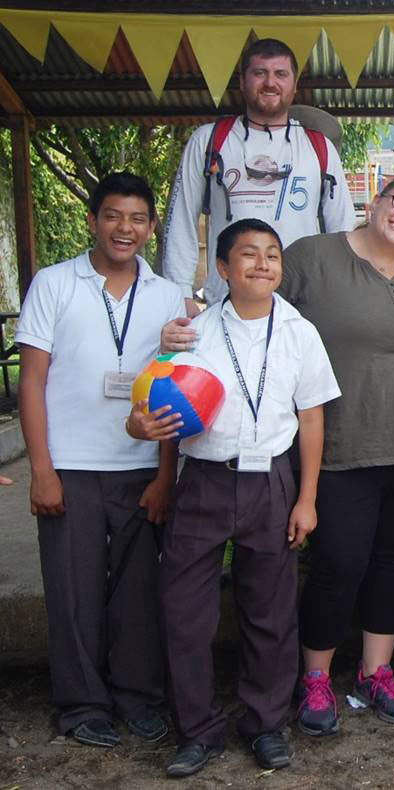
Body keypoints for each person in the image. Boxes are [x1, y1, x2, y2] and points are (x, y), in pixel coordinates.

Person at [128, 219, 340, 777]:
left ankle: (266, 724)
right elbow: (161, 411)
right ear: (222, 269)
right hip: (204, 480)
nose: (263, 264)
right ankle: (197, 730)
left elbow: (312, 418)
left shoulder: (300, 332)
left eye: (272, 254)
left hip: (272, 481)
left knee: (270, 610)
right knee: (185, 609)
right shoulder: (190, 333)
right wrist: (164, 476)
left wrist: (307, 498)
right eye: (248, 255)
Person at [15, 172, 184, 750]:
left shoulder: (166, 294)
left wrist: (166, 475)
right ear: (93, 220)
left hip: (139, 467)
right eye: (113, 216)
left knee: (139, 591)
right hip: (71, 465)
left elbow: (170, 387)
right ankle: (83, 705)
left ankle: (139, 699)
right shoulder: (54, 284)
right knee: (73, 588)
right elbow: (31, 381)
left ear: (151, 228)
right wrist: (42, 468)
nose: (125, 229)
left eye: (138, 219)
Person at [282, 176, 394, 732]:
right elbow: (259, 321)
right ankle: (316, 678)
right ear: (375, 202)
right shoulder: (313, 257)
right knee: (339, 564)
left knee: (391, 563)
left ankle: (375, 673)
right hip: (340, 447)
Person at [161, 38, 354, 314]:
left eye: (280, 74)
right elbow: (181, 219)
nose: (270, 83)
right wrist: (179, 294)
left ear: (294, 84)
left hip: (303, 305)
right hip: (226, 303)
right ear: (243, 81)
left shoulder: (319, 147)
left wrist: (341, 296)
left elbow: (342, 231)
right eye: (260, 73)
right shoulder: (209, 140)